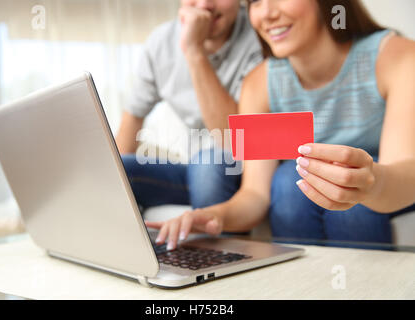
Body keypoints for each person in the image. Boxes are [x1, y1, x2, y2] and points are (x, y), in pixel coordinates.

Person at [146, 0, 415, 250]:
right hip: (301, 192)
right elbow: (255, 195)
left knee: (343, 199)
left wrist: (366, 183)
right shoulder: (259, 84)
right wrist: (212, 215)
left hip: (385, 191)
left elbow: (404, 173)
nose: (267, 13)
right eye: (255, 2)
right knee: (289, 180)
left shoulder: (396, 58)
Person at [116, 0, 262, 214]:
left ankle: (219, 248)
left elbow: (234, 140)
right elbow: (133, 118)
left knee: (209, 162)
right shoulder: (161, 42)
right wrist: (115, 173)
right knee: (120, 169)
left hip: (246, 171)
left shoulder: (260, 36)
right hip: (194, 171)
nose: (204, 5)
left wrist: (194, 51)